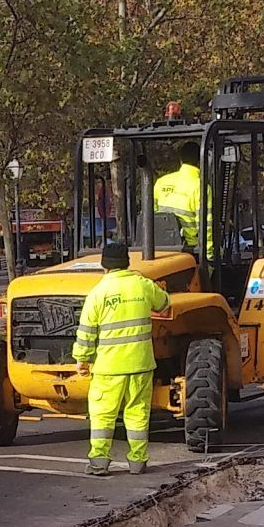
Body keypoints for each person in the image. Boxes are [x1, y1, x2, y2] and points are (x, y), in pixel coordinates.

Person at [73, 238, 169, 475]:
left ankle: (99, 462)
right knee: (137, 413)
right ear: (127, 263)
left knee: (103, 415)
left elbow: (86, 332)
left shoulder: (98, 293)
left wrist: (82, 360)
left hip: (109, 368)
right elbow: (164, 304)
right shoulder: (143, 285)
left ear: (104, 265)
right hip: (141, 364)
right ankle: (137, 462)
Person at [152, 157, 205, 256]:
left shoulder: (161, 182)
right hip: (190, 248)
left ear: (181, 160)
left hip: (157, 247)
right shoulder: (200, 186)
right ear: (200, 161)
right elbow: (206, 225)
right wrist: (209, 257)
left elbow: (151, 216)